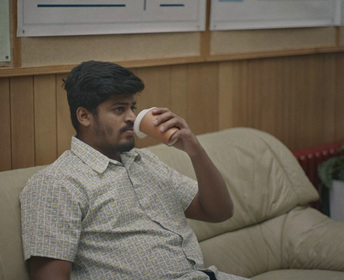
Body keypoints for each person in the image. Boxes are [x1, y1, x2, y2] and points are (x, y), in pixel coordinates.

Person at [20, 60, 247, 280]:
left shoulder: (145, 161)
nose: (131, 117)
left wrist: (194, 150)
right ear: (84, 116)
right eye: (119, 109)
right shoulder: (58, 183)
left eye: (132, 108)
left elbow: (219, 212)